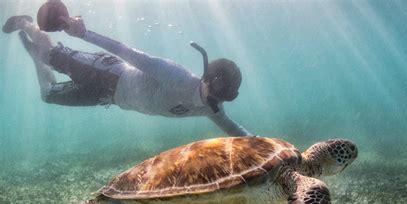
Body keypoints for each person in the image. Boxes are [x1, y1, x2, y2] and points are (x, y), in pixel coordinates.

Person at [2, 14, 252, 136]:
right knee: (53, 56)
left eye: (224, 98)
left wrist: (268, 148)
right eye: (217, 93)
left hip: (110, 97)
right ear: (206, 78)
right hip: (110, 73)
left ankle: (37, 56)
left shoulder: (213, 109)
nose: (217, 102)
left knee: (47, 95)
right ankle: (27, 24)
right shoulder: (176, 76)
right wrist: (84, 34)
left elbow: (233, 128)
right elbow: (128, 53)